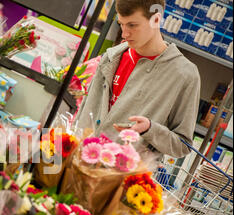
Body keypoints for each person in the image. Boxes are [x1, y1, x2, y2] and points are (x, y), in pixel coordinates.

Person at [77, 0, 201, 158]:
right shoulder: (111, 57)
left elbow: (182, 146)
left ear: (156, 20)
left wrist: (150, 129)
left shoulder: (184, 74)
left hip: (123, 176)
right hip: (80, 163)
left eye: (132, 25)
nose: (124, 34)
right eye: (121, 24)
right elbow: (83, 116)